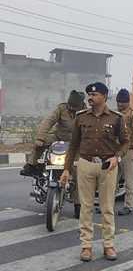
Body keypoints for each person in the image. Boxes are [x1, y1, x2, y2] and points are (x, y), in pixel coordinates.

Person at [60, 82, 129, 262]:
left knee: (107, 208)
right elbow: (73, 145)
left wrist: (117, 157)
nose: (90, 98)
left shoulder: (116, 118)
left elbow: (125, 142)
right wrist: (66, 169)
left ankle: (108, 245)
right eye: (89, 95)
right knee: (86, 207)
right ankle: (86, 246)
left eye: (95, 95)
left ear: (105, 97)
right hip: (85, 164)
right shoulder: (81, 117)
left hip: (108, 166)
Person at [20, 90, 85, 218]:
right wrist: (40, 137)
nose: (71, 108)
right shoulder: (61, 108)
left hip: (76, 144)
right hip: (58, 137)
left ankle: (78, 205)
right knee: (40, 142)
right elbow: (48, 121)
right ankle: (32, 165)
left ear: (80, 105)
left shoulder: (85, 113)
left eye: (74, 107)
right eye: (70, 106)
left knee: (77, 172)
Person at [115, 88, 133, 216]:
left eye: (122, 102)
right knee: (111, 180)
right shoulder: (115, 114)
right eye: (118, 102)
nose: (120, 104)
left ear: (128, 102)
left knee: (129, 180)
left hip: (129, 150)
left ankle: (128, 206)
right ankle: (107, 204)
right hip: (116, 151)